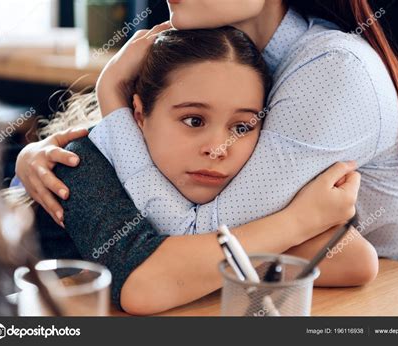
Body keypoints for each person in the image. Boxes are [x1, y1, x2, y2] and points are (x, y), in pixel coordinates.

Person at [33, 27, 376, 315]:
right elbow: (143, 286)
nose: (219, 148)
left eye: (241, 127)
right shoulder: (79, 165)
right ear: (138, 114)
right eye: (193, 120)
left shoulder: (237, 174)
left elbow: (355, 260)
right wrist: (297, 222)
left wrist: (190, 263)